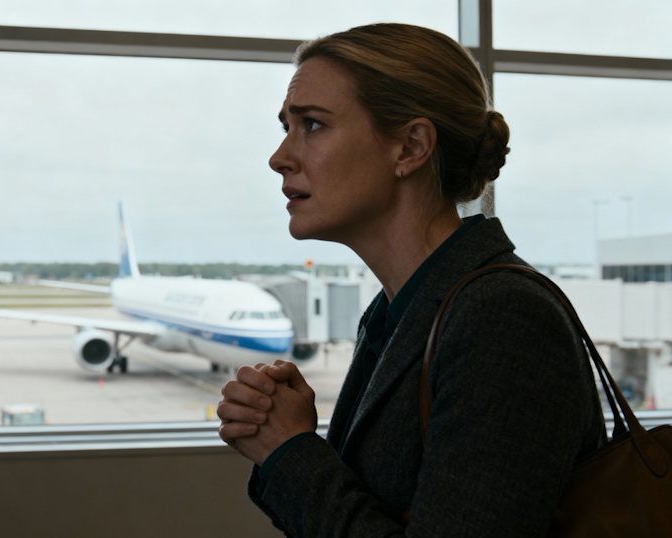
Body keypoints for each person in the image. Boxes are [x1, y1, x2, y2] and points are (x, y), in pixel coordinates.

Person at [217, 23, 606, 536]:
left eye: (311, 125)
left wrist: (289, 452)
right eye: (285, 126)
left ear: (410, 147)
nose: (279, 157)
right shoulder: (398, 312)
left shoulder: (502, 317)